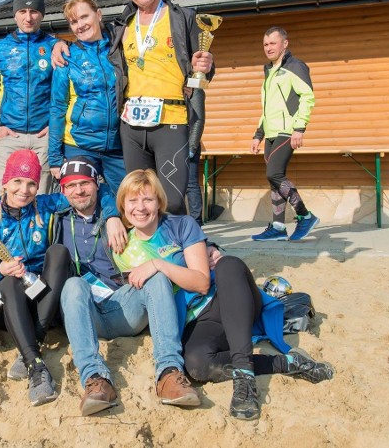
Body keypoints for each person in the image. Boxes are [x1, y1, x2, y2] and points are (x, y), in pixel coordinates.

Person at [113, 169, 334, 420]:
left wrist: (159, 265)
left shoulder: (181, 225)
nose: (140, 207)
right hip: (196, 320)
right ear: (122, 205)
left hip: (227, 298)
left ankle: (244, 382)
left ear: (159, 202)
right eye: (133, 200)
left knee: (228, 265)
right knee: (196, 364)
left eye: (147, 199)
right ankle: (287, 363)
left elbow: (202, 283)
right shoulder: (122, 247)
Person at [53, 0, 214, 215]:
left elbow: (204, 67)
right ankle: (148, 255)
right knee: (138, 202)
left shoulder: (183, 18)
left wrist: (207, 66)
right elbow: (88, 35)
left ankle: (182, 251)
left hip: (171, 119)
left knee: (171, 201)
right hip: (131, 127)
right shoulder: (121, 26)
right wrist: (58, 44)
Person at [0, 150, 122, 407]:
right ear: (5, 183)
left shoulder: (45, 204)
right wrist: (1, 271)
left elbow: (95, 190)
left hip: (44, 297)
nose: (25, 189)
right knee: (8, 281)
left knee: (58, 251)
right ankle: (35, 364)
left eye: (31, 183)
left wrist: (111, 217)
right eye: (18, 182)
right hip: (11, 305)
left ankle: (37, 337)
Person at [56, 157, 199, 416]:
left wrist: (210, 249)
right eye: (71, 185)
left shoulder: (121, 214)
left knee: (155, 274)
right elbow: (15, 204)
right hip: (86, 310)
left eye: (85, 183)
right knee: (73, 284)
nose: (79, 190)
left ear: (97, 185)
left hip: (124, 304)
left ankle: (168, 372)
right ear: (62, 190)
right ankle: (96, 379)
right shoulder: (55, 217)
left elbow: (161, 230)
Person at [48, 0, 125, 193]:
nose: (80, 25)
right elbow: (57, 107)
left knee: (126, 204)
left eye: (84, 17)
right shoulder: (67, 56)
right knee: (81, 202)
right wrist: (55, 158)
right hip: (79, 145)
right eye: (74, 22)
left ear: (98, 14)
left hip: (119, 145)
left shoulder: (121, 48)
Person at [251, 27, 319, 241]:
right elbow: (267, 107)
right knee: (273, 180)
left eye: (272, 43)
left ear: (285, 44)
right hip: (271, 133)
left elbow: (307, 98)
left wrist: (299, 128)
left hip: (287, 130)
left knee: (275, 174)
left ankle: (305, 215)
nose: (268, 47)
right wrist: (258, 135)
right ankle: (279, 227)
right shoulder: (269, 71)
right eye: (265, 44)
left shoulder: (295, 67)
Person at [0, 0, 58, 195]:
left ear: (42, 14)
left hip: (43, 136)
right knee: (5, 198)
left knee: (41, 197)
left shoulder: (54, 46)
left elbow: (62, 93)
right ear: (15, 14)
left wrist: (54, 125)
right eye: (23, 11)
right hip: (10, 135)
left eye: (34, 11)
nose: (28, 18)